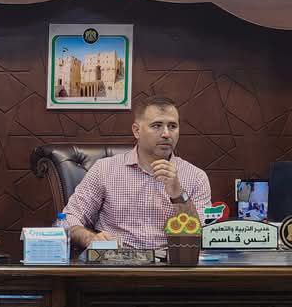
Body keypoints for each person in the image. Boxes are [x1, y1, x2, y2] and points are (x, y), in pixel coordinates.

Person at [62, 95, 211, 250]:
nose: (166, 134)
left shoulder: (196, 176)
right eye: (157, 126)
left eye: (172, 126)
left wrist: (178, 194)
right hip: (117, 260)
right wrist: (91, 238)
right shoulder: (104, 170)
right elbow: (68, 219)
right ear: (136, 131)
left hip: (171, 262)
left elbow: (203, 235)